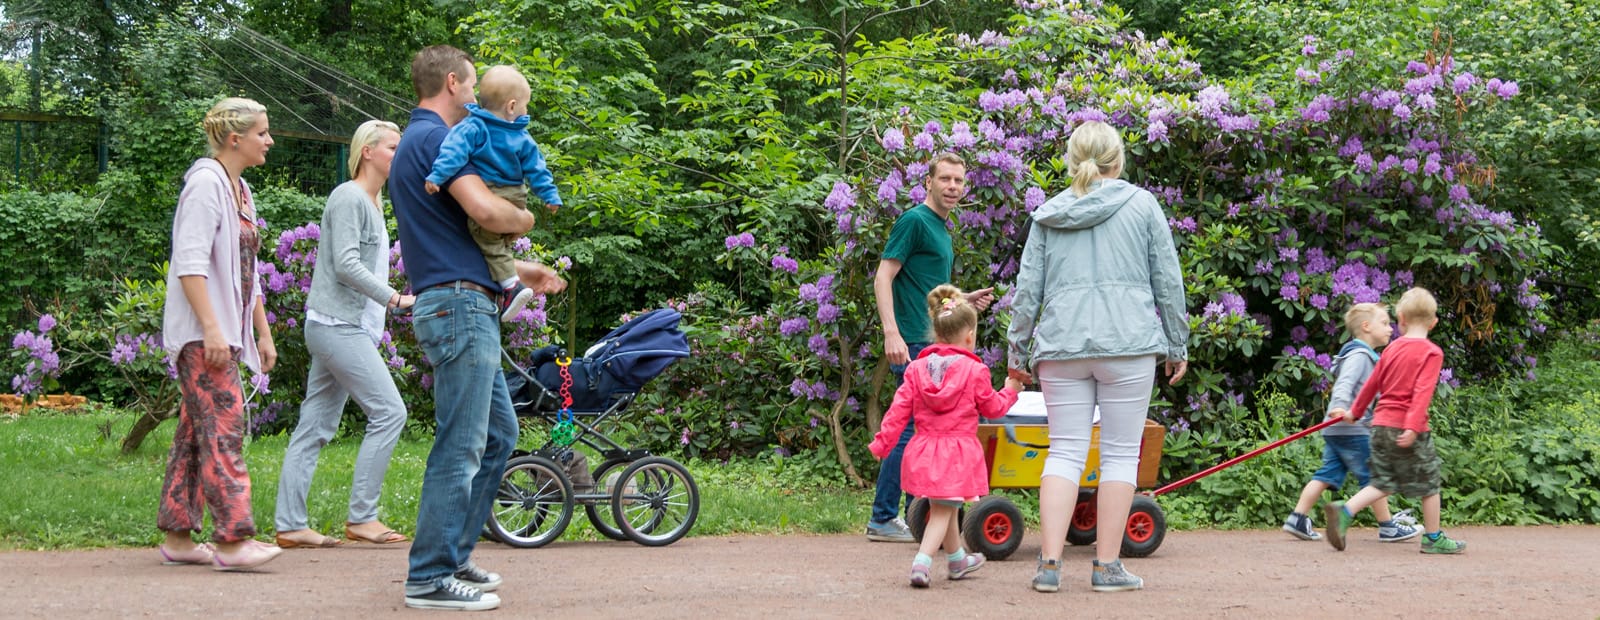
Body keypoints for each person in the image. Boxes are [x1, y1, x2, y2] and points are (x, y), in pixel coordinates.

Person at [391, 45, 567, 612]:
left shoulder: (416, 142)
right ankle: (429, 576)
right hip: (461, 308)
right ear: (452, 83)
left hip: (461, 295)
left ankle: (454, 554)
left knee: (496, 436)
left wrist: (522, 270)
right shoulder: (441, 139)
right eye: (472, 87)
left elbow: (453, 241)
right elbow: (490, 214)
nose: (478, 99)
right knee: (463, 443)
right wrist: (529, 218)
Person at [1005, 120, 1189, 593]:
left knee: (1063, 451)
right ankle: (1107, 567)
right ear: (1118, 158)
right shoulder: (1143, 205)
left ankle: (1049, 564)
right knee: (1121, 456)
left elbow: (1027, 292)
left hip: (1061, 346)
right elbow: (1167, 279)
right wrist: (1176, 343)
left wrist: (1016, 351)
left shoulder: (1048, 214)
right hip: (1128, 344)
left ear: (1072, 160)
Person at [273, 120, 415, 550]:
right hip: (338, 326)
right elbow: (345, 265)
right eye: (393, 147)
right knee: (390, 412)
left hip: (343, 327)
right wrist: (394, 299)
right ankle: (363, 517)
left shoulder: (373, 202)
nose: (400, 153)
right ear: (367, 151)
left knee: (315, 425)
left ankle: (290, 525)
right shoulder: (349, 196)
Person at [156, 96, 283, 571]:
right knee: (225, 429)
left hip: (226, 332)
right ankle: (232, 541)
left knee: (195, 433)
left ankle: (177, 534)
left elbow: (247, 270)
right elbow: (189, 264)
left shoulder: (242, 189)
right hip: (202, 335)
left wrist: (261, 333)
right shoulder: (205, 186)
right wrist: (211, 329)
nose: (268, 140)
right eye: (262, 133)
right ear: (235, 139)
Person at [868, 152, 995, 543]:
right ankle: (884, 517)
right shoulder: (915, 221)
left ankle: (914, 517)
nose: (953, 187)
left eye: (959, 181)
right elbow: (883, 277)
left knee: (920, 432)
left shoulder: (942, 228)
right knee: (909, 430)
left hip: (930, 341)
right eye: (945, 179)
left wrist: (961, 302)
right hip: (911, 343)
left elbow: (930, 290)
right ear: (929, 181)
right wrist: (892, 332)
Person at [870, 285, 1023, 587]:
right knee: (942, 510)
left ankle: (957, 561)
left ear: (937, 332)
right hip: (956, 453)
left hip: (924, 449)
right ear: (969, 337)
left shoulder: (916, 369)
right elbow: (992, 408)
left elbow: (898, 411)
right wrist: (1011, 390)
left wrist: (883, 443)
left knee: (946, 506)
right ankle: (922, 563)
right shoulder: (973, 371)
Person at [1324, 287, 1464, 554]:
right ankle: (1433, 538)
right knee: (1430, 483)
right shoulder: (1431, 353)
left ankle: (1346, 510)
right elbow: (1421, 393)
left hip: (1379, 424)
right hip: (1408, 427)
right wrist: (1412, 426)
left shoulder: (1391, 349)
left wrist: (1355, 412)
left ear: (1400, 319)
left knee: (1382, 481)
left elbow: (1373, 384)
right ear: (1434, 322)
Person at [423, 64, 563, 322]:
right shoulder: (523, 137)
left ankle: (510, 287)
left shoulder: (472, 127)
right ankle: (503, 281)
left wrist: (436, 176)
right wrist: (550, 195)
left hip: (491, 192)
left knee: (483, 235)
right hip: (517, 197)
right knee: (497, 243)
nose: (525, 111)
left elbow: (453, 152)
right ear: (511, 107)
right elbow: (537, 170)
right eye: (525, 105)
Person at [1281, 302, 1419, 543]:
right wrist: (1340, 406)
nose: (1390, 329)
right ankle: (1388, 526)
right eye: (1385, 323)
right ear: (1366, 327)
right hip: (1353, 427)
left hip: (1337, 429)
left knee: (1326, 474)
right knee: (1376, 478)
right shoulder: (1360, 355)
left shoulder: (1359, 354)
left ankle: (1297, 518)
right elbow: (1345, 383)